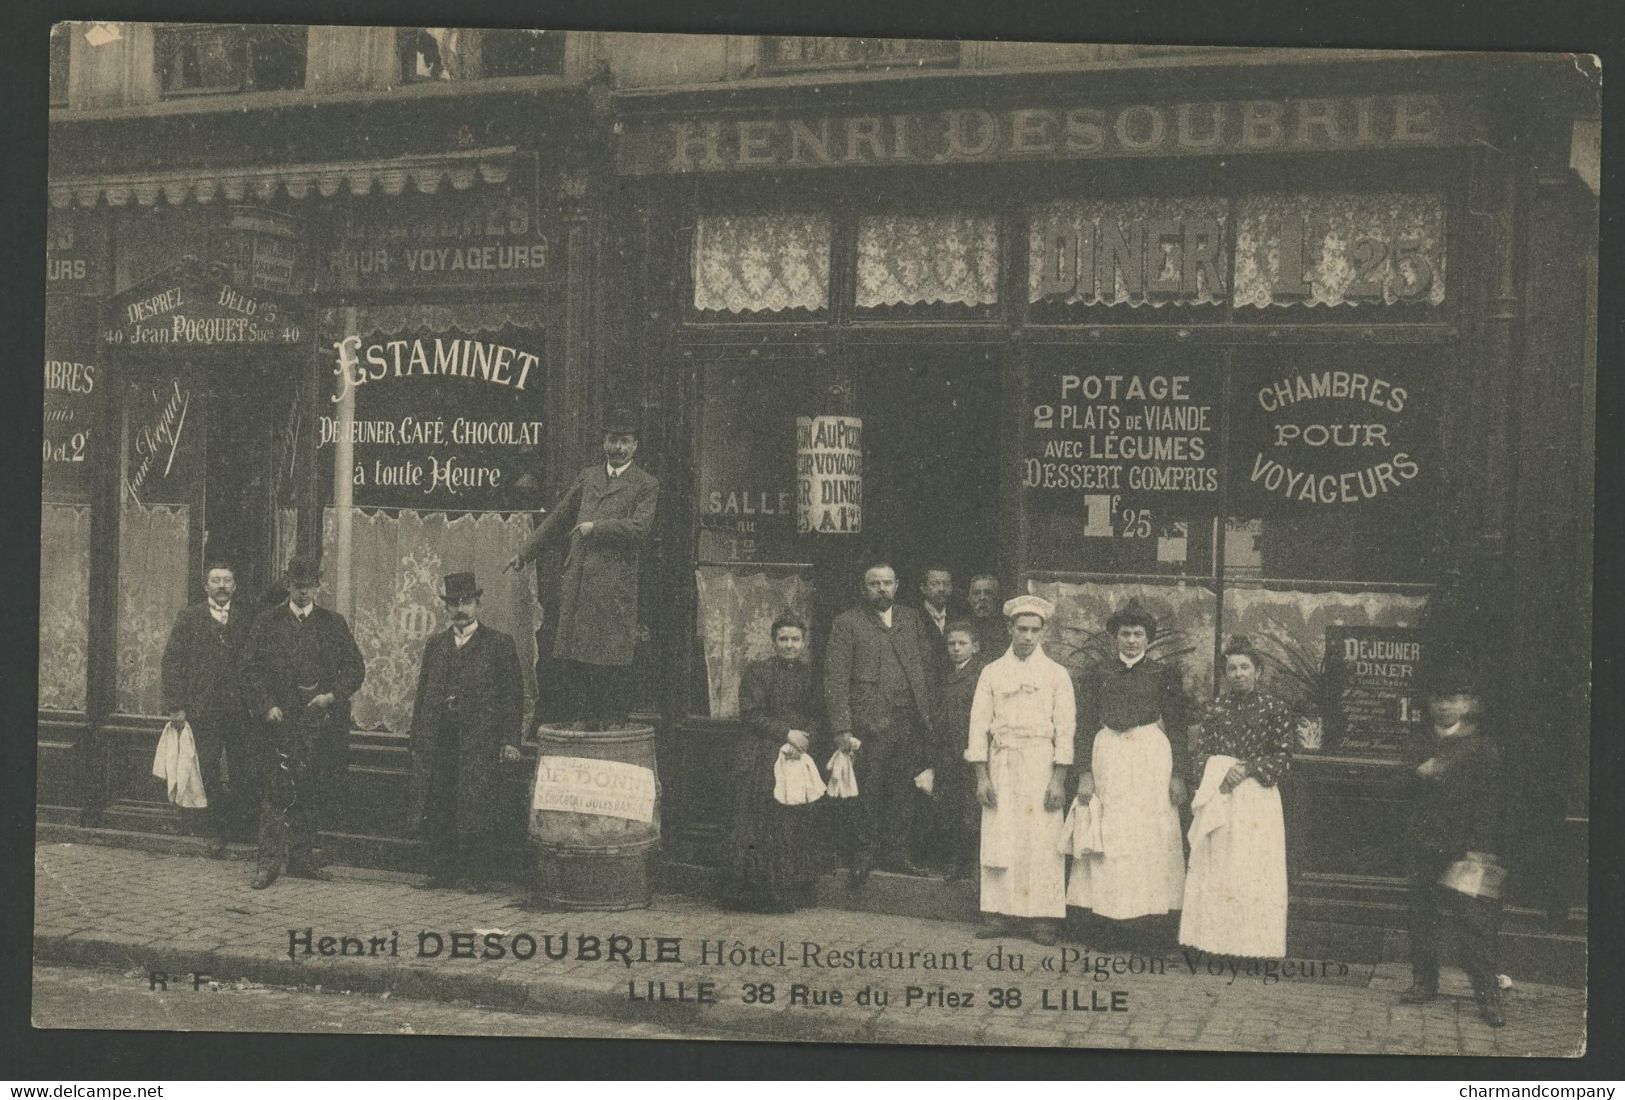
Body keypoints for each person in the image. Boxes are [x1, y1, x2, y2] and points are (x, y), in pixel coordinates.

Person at [506, 408, 659, 729]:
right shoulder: (588, 477)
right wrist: (525, 552)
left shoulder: (645, 484)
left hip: (614, 587)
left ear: (635, 447)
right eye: (612, 441)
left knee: (609, 659)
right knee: (575, 658)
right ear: (604, 442)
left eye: (625, 442)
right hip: (578, 583)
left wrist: (597, 527)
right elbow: (560, 517)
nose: (617, 448)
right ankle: (581, 721)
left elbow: (640, 529)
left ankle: (607, 724)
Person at [1067, 599, 1188, 947]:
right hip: (1109, 759)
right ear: (1115, 638)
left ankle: (1149, 927)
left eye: (1138, 635)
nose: (1131, 641)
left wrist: (1178, 774)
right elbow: (1086, 724)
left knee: (1150, 838)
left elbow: (1177, 726)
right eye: (1125, 634)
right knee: (1112, 836)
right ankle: (1107, 923)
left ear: (1148, 639)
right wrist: (1085, 773)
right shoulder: (1099, 674)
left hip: (1150, 759)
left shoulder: (1164, 674)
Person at [243, 555, 366, 890]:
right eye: (297, 586)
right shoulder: (267, 622)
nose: (303, 593)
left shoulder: (333, 624)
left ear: (318, 586)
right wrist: (266, 705)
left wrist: (331, 697)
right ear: (287, 585)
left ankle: (301, 859)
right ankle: (268, 863)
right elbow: (249, 669)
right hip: (277, 723)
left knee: (310, 790)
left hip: (318, 724)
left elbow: (355, 669)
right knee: (275, 792)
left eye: (309, 586)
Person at [966, 595, 1074, 945]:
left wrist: (1059, 778)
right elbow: (978, 726)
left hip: (1041, 763)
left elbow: (1066, 729)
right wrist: (982, 775)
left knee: (1042, 838)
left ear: (1043, 632)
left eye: (1034, 630)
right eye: (1021, 629)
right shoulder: (992, 672)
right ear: (1009, 629)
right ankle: (998, 913)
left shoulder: (1057, 675)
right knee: (1001, 834)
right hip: (1003, 763)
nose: (1028, 636)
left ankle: (1043, 917)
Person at [1178, 635, 1293, 959]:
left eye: (1245, 667)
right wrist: (1219, 770)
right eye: (1232, 668)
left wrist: (1248, 768)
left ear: (1258, 671)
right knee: (1218, 870)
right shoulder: (1216, 708)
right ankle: (1215, 945)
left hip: (1257, 800)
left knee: (1253, 872)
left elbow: (1284, 758)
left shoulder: (1275, 709)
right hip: (1221, 799)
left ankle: (1255, 949)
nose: (1239, 674)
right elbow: (1200, 755)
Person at [408, 572, 525, 891]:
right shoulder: (436, 645)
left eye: (467, 603)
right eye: (454, 604)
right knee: (442, 801)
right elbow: (423, 692)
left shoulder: (499, 644)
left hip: (480, 739)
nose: (460, 610)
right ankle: (442, 871)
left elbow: (512, 696)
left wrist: (511, 740)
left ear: (478, 605)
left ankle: (477, 875)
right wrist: (418, 734)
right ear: (446, 608)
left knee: (476, 805)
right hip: (441, 738)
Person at [823, 561, 935, 886]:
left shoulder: (912, 619)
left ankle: (898, 853)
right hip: (868, 725)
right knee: (868, 790)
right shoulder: (847, 623)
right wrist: (843, 728)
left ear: (897, 585)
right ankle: (865, 853)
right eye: (875, 584)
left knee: (903, 790)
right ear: (864, 588)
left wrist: (926, 715)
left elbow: (926, 667)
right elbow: (836, 678)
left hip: (907, 723)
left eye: (887, 583)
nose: (881, 589)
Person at [1400, 683, 1506, 1028]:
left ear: (1468, 704)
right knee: (1421, 916)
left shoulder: (1483, 747)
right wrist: (1418, 771)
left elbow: (1491, 803)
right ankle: (1424, 984)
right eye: (1438, 699)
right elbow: (1401, 784)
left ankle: (1489, 998)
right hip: (1424, 844)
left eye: (1453, 699)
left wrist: (1481, 847)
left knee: (1475, 923)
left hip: (1467, 848)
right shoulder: (1415, 742)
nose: (1445, 706)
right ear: (1429, 703)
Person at [723, 614, 823, 913]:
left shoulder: (811, 676)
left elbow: (818, 714)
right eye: (783, 639)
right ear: (773, 642)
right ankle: (758, 894)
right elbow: (751, 714)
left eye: (795, 639)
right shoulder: (758, 672)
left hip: (798, 754)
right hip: (761, 756)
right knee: (762, 822)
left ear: (803, 643)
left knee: (793, 822)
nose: (789, 645)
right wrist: (786, 734)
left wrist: (804, 739)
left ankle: (792, 889)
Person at [159, 560, 256, 854]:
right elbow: (172, 662)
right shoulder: (189, 618)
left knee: (243, 768)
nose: (222, 586)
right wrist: (176, 706)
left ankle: (241, 828)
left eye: (227, 580)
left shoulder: (246, 618)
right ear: (206, 587)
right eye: (216, 581)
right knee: (208, 769)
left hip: (240, 709)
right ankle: (216, 831)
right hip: (204, 709)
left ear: (235, 586)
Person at [931, 620, 985, 879]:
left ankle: (969, 863)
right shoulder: (945, 676)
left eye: (962, 643)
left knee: (971, 810)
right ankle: (953, 861)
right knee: (950, 807)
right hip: (948, 753)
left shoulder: (981, 676)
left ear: (975, 647)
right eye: (951, 643)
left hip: (970, 753)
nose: (955, 649)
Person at [965, 573, 1010, 661]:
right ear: (969, 599)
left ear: (997, 597)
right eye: (976, 593)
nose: (982, 598)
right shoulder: (961, 627)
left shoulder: (1007, 629)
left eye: (988, 593)